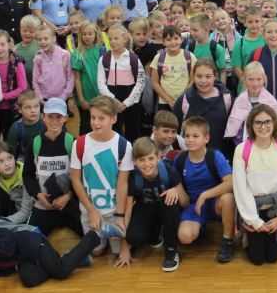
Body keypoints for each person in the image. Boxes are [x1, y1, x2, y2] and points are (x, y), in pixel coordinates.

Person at [70, 95, 133, 264]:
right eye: (93, 118)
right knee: (96, 251)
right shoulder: (79, 144)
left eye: (101, 118)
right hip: (91, 211)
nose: (96, 123)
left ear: (113, 119)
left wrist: (119, 216)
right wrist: (91, 210)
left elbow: (123, 183)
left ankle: (113, 236)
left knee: (117, 251)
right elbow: (75, 180)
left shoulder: (123, 146)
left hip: (113, 211)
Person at [233, 104, 277, 265]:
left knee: (272, 257)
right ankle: (245, 233)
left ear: (274, 123)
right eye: (258, 122)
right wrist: (255, 221)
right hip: (252, 207)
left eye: (267, 121)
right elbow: (241, 189)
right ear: (251, 125)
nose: (263, 126)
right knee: (257, 259)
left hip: (275, 208)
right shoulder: (242, 150)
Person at [176, 116, 237, 263]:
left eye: (195, 136)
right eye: (187, 136)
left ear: (206, 138)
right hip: (194, 206)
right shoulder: (180, 159)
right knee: (185, 237)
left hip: (215, 203)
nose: (190, 140)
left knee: (228, 198)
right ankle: (200, 227)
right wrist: (174, 188)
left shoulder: (215, 156)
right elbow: (176, 185)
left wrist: (205, 195)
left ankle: (228, 240)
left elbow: (230, 183)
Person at [123, 137, 188, 271]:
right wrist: (125, 246)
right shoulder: (134, 177)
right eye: (141, 160)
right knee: (133, 237)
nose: (147, 164)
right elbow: (128, 210)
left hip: (167, 210)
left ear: (158, 157)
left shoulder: (168, 170)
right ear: (134, 162)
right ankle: (154, 236)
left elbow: (185, 202)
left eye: (150, 158)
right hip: (146, 210)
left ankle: (171, 251)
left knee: (169, 200)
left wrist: (175, 190)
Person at [23, 100, 82, 237]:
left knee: (92, 239)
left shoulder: (72, 143)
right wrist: (38, 195)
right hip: (43, 205)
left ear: (65, 118)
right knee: (29, 239)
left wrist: (68, 196)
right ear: (43, 117)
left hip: (68, 204)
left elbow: (80, 176)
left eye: (58, 117)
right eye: (50, 116)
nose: (54, 121)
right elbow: (27, 174)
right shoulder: (35, 143)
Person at [95, 24, 145, 141]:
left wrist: (126, 103)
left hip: (130, 99)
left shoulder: (133, 59)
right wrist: (113, 100)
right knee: (113, 130)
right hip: (111, 99)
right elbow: (101, 83)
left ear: (125, 39)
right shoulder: (104, 59)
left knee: (133, 130)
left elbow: (140, 82)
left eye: (116, 38)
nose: (112, 41)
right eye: (110, 39)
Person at [174, 59, 232, 153]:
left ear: (215, 76)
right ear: (193, 76)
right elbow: (175, 130)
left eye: (208, 76)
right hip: (193, 155)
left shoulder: (226, 97)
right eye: (199, 76)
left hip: (220, 154)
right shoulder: (185, 100)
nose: (203, 81)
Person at [226, 61, 277, 146]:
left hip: (267, 143)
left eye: (259, 79)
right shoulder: (240, 100)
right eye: (251, 79)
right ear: (244, 80)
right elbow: (234, 125)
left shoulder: (270, 100)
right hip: (245, 144)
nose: (255, 83)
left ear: (264, 80)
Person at [0, 140, 33, 223]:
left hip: (28, 214)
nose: (7, 164)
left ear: (14, 158)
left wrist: (1, 223)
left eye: (10, 158)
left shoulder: (26, 174)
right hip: (11, 214)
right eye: (1, 161)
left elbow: (26, 212)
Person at [0, 30, 28, 140]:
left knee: (10, 138)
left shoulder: (17, 62)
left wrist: (3, 96)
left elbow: (22, 87)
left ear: (9, 44)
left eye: (2, 44)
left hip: (12, 108)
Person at [71, 21, 106, 135]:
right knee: (86, 124)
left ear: (96, 34)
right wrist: (81, 99)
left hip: (101, 95)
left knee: (101, 123)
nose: (87, 37)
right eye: (84, 34)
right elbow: (77, 78)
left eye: (90, 34)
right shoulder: (77, 54)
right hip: (86, 96)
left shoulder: (102, 51)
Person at [151, 26, 194, 112]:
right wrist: (169, 100)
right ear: (163, 42)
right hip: (164, 102)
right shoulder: (158, 58)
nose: (173, 42)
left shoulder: (189, 56)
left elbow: (192, 80)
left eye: (176, 38)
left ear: (181, 39)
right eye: (168, 39)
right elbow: (154, 82)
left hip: (185, 100)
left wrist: (183, 98)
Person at [32, 24, 74, 103]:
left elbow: (70, 78)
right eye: (39, 39)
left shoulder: (65, 55)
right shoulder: (38, 57)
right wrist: (40, 97)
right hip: (45, 99)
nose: (42, 42)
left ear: (54, 39)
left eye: (46, 39)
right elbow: (35, 80)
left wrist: (64, 96)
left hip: (62, 98)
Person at [6, 91, 46, 159]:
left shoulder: (46, 123)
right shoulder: (16, 128)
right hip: (23, 160)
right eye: (28, 107)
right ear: (20, 110)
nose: (33, 110)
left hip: (44, 159)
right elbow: (11, 153)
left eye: (36, 106)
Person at [16, 15, 42, 85]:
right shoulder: (15, 48)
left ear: (37, 32)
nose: (27, 33)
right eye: (24, 31)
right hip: (23, 83)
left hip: (39, 82)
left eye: (31, 32)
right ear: (20, 30)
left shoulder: (40, 45)